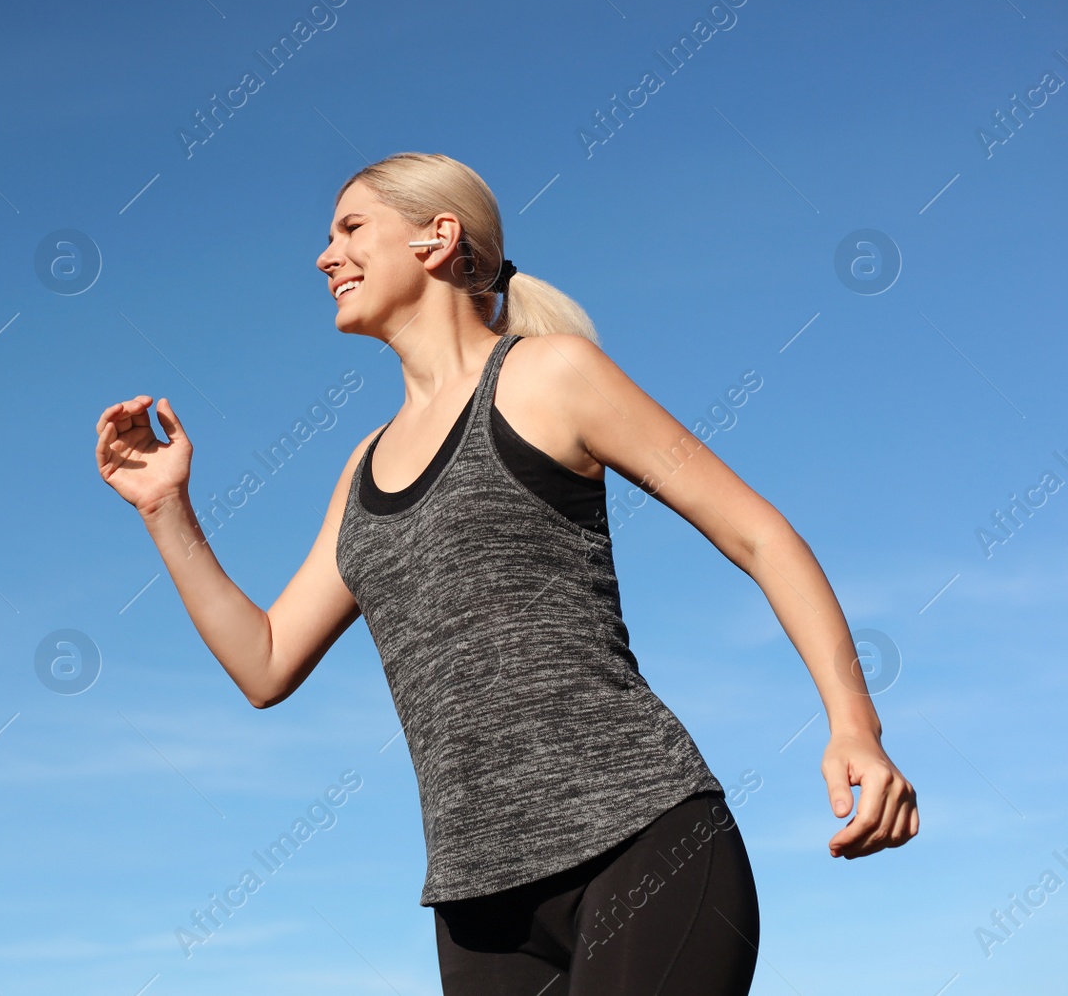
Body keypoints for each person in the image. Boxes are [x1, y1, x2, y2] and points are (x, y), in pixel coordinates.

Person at [94, 151, 918, 994]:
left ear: (436, 238)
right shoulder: (362, 469)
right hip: (478, 909)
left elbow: (759, 535)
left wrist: (854, 723)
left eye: (350, 228)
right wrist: (167, 510)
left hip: (642, 841)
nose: (324, 255)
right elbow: (264, 662)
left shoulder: (549, 376)